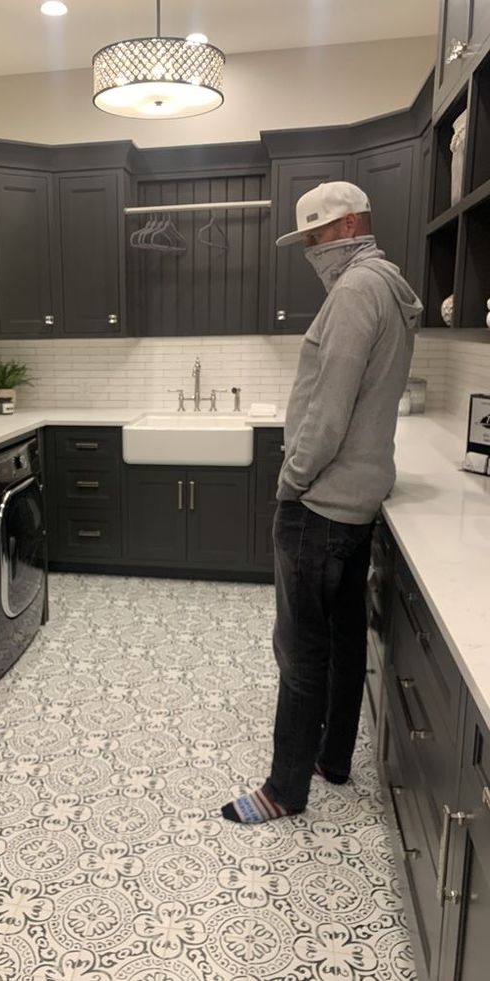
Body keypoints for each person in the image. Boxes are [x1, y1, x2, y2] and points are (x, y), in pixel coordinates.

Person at [222, 181, 422, 824]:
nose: (310, 251)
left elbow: (329, 409)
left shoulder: (355, 293)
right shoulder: (387, 285)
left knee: (299, 648)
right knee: (339, 637)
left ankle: (284, 789)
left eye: (316, 236)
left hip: (321, 503)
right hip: (357, 498)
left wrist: (291, 482)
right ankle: (332, 758)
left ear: (350, 226)